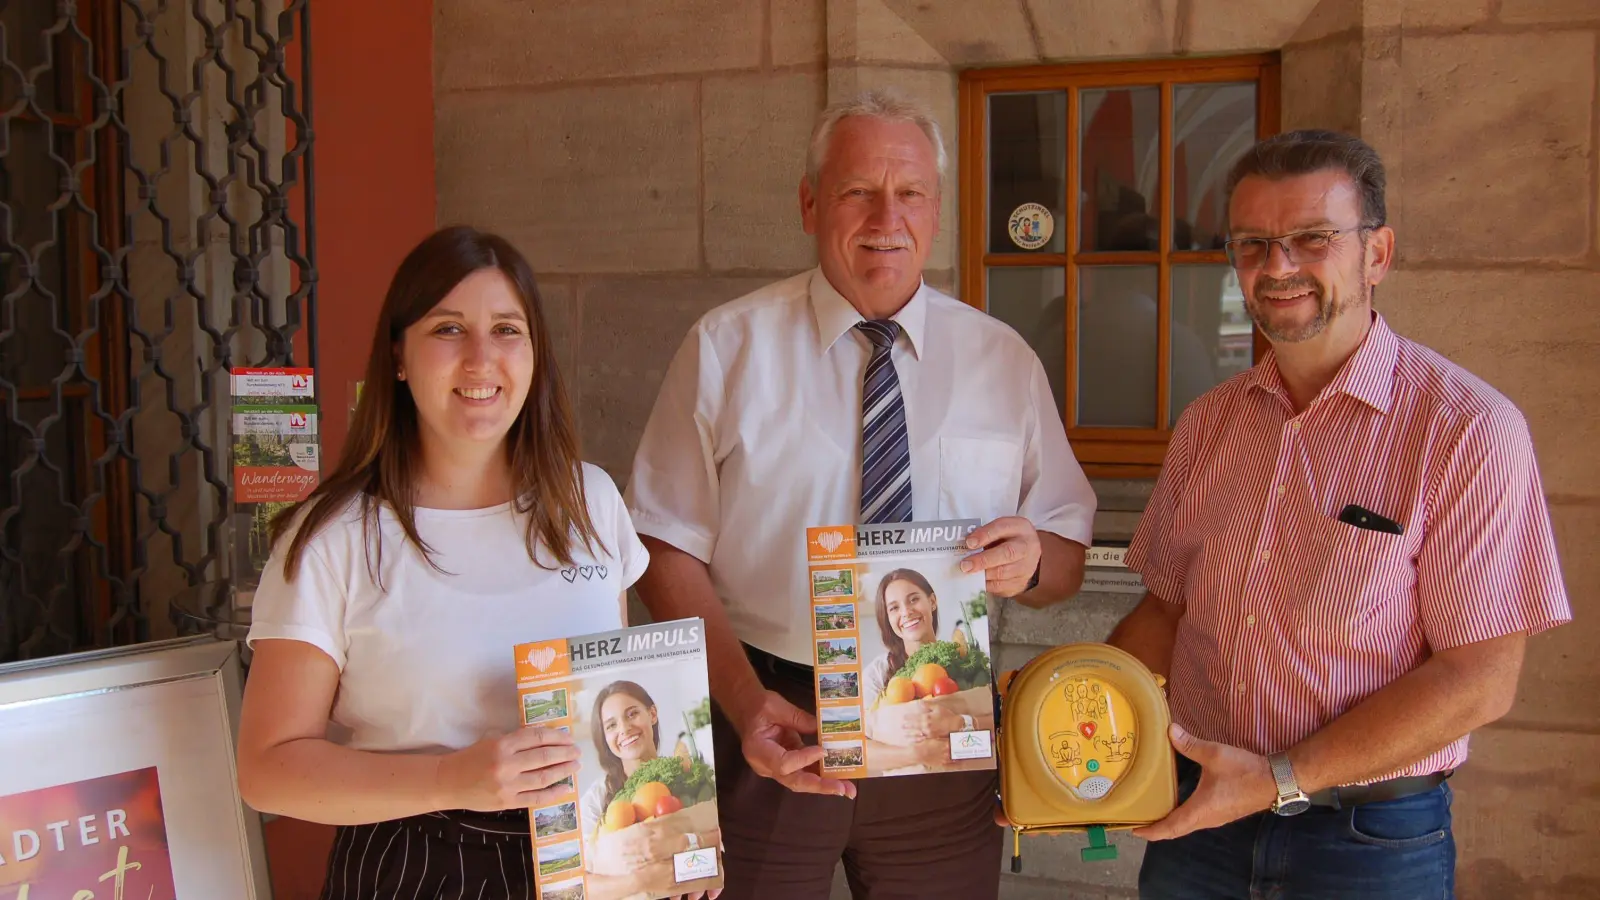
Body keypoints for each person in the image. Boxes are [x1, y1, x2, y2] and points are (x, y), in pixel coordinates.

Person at [625, 88, 1097, 899]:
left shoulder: (1003, 360)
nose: (888, 215)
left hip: (939, 726)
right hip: (770, 724)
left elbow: (1067, 559)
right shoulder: (725, 349)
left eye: (910, 192)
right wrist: (744, 705)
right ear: (811, 203)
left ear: (937, 209)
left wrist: (1031, 561)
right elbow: (662, 546)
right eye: (857, 190)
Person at [1109, 130, 1573, 899]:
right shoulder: (1207, 424)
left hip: (1369, 842)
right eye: (1254, 243)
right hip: (1202, 821)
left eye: (1312, 239)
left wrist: (1276, 780)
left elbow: (1479, 679)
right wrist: (1056, 721)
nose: (1278, 265)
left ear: (1378, 254)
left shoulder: (1467, 430)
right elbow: (1166, 608)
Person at [233, 226, 700, 899]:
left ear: (535, 352)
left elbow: (609, 692)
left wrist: (669, 846)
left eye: (507, 330)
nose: (482, 359)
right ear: (399, 355)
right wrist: (451, 778)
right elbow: (266, 770)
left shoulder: (589, 500)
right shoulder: (333, 536)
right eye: (448, 330)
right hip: (417, 861)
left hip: (587, 854)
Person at [579, 680, 722, 891]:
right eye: (611, 725)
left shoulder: (688, 773)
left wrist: (683, 846)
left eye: (632, 714)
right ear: (605, 737)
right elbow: (578, 886)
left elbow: (717, 848)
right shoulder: (595, 799)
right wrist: (641, 881)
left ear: (652, 714)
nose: (625, 729)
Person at [860, 569, 993, 764]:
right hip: (907, 787)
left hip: (969, 780)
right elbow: (856, 751)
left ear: (932, 601)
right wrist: (917, 755)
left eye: (913, 599)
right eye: (894, 608)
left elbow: (1001, 732)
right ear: (887, 619)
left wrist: (959, 726)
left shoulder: (965, 659)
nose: (906, 612)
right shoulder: (877, 674)